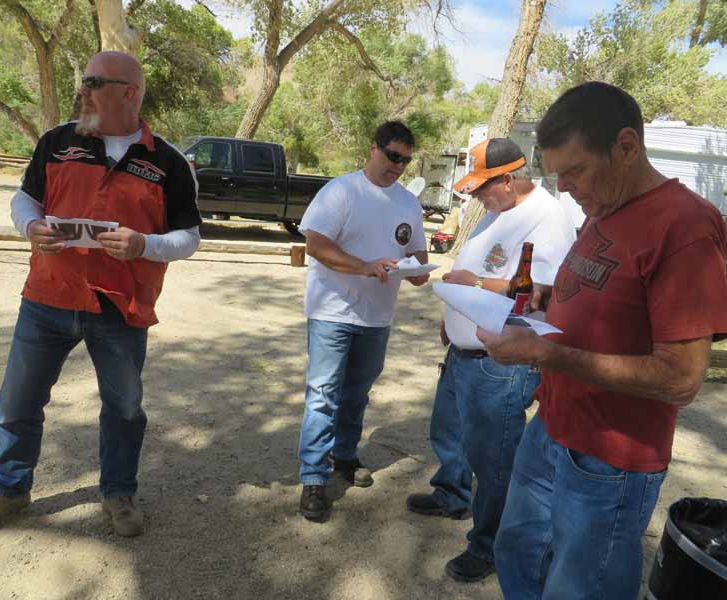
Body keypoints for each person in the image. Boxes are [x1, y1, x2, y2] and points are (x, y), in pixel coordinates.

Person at [476, 82, 727, 598]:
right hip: (552, 426)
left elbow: (681, 378)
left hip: (609, 459)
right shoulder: (603, 206)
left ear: (626, 146)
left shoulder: (686, 226)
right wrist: (550, 296)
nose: (564, 187)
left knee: (580, 588)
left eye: (575, 170)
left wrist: (547, 353)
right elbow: (605, 291)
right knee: (517, 553)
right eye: (557, 173)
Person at [0, 51, 202, 538]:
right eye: (83, 80)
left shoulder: (168, 161)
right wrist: (30, 226)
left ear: (129, 92)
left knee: (124, 409)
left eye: (94, 82)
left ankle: (118, 493)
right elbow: (25, 199)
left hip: (120, 306)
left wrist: (144, 245)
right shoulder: (57, 142)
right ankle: (8, 488)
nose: (83, 89)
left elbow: (189, 237)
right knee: (18, 401)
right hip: (47, 298)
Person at [406, 138, 576, 582]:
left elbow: (540, 293)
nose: (478, 196)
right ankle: (452, 493)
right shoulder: (498, 209)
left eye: (483, 187)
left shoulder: (548, 217)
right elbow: (480, 267)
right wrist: (452, 316)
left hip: (498, 361)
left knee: (495, 461)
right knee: (449, 430)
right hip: (464, 349)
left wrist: (474, 284)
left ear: (509, 179)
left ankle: (489, 545)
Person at [297, 121, 430, 522]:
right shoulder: (341, 191)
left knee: (357, 393)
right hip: (332, 312)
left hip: (377, 316)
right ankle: (313, 477)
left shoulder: (409, 203)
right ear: (373, 149)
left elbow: (418, 254)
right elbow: (315, 245)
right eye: (393, 156)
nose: (398, 166)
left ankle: (345, 456)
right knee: (323, 394)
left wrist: (416, 270)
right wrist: (364, 266)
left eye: (405, 161)